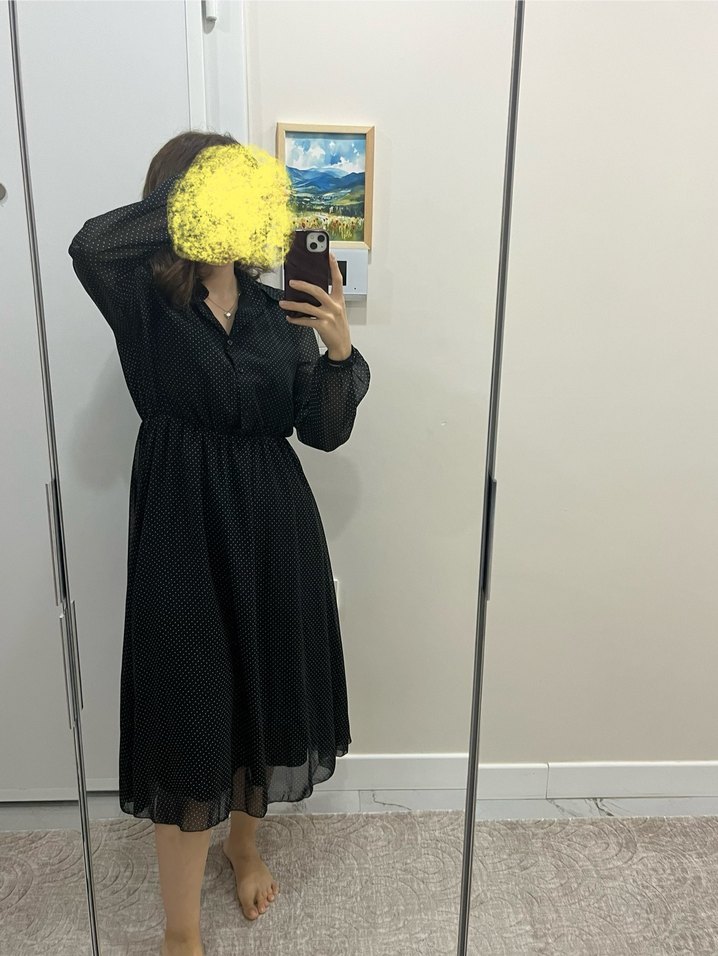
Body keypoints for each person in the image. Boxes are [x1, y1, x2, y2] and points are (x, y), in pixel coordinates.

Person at [68, 130, 371, 956]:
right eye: (222, 194)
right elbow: (89, 244)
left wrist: (339, 352)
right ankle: (180, 932)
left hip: (274, 519)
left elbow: (322, 430)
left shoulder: (278, 313)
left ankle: (244, 844)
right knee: (187, 709)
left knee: (258, 688)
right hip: (182, 522)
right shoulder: (142, 300)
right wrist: (197, 199)